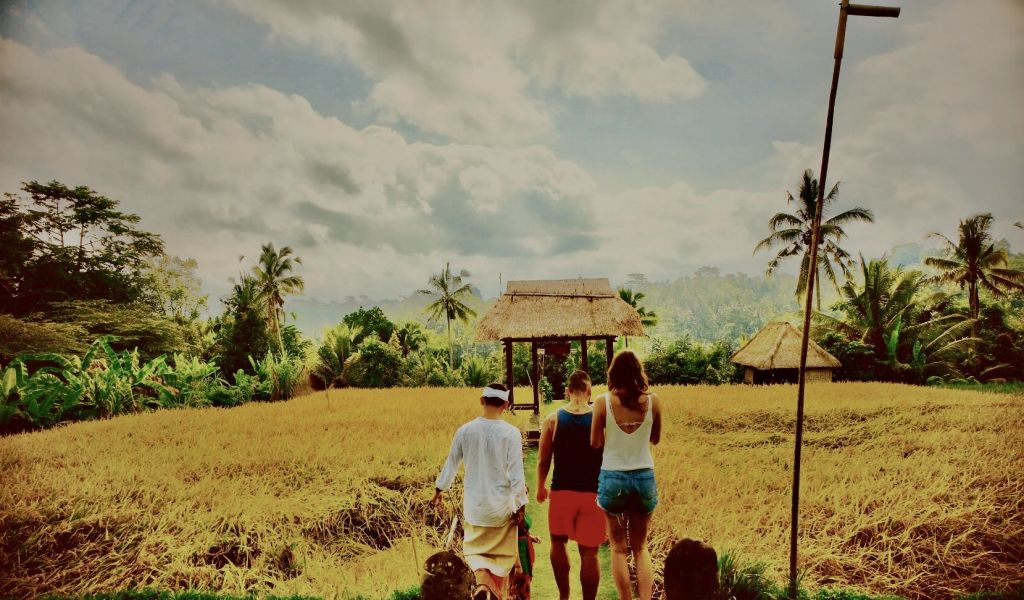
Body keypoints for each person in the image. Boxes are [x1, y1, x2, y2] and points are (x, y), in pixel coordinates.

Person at [433, 382, 528, 600]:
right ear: (505, 405)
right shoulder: (511, 433)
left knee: (477, 559)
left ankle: (482, 588)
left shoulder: (464, 431)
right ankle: (493, 592)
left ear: (482, 401)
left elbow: (451, 465)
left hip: (475, 511)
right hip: (501, 512)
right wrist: (521, 505)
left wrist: (439, 490)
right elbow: (516, 475)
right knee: (501, 565)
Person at [590, 350, 662, 600]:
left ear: (613, 374)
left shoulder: (602, 402)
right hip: (643, 476)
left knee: (619, 548)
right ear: (638, 373)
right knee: (641, 547)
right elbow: (655, 438)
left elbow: (595, 442)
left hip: (614, 477)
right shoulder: (653, 402)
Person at [536, 370, 605, 600]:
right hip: (592, 495)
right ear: (589, 391)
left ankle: (564, 596)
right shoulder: (600, 419)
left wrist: (540, 487)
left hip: (561, 493)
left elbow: (543, 459)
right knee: (589, 553)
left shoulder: (552, 420)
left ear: (567, 391)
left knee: (557, 542)